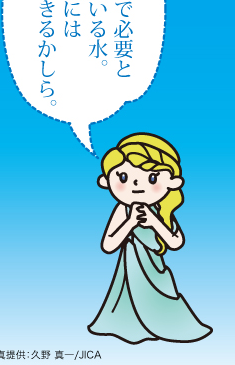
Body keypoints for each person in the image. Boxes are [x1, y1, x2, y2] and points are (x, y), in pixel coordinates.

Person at [87, 133, 212, 343]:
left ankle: (169, 325)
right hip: (130, 270)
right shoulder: (123, 210)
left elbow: (175, 242)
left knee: (163, 296)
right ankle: (130, 326)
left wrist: (154, 222)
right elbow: (108, 245)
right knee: (129, 301)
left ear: (172, 182)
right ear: (107, 180)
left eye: (152, 178)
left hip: (154, 270)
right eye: (123, 178)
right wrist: (130, 223)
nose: (136, 184)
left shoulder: (162, 210)